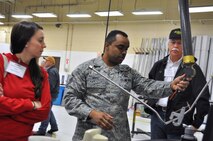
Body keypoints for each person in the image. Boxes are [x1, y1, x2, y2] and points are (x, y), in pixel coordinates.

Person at [63, 30, 190, 141]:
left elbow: (147, 86)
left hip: (119, 136)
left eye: (126, 49)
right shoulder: (86, 70)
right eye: (120, 47)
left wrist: (170, 86)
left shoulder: (127, 72)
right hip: (91, 134)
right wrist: (91, 113)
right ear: (107, 46)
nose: (124, 52)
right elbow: (69, 99)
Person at [145, 28, 210, 139]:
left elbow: (202, 95)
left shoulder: (192, 69)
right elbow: (148, 86)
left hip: (179, 119)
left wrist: (196, 122)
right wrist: (149, 103)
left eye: (179, 43)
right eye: (173, 42)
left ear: (184, 47)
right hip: (157, 116)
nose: (175, 46)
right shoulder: (159, 65)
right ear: (168, 44)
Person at [0, 21, 51, 141]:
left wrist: (6, 109)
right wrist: (31, 104)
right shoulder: (2, 62)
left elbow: (44, 111)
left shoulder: (41, 74)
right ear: (26, 41)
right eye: (40, 40)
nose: (44, 45)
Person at [34, 56, 59, 135]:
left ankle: (42, 130)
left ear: (51, 62)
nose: (45, 62)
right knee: (49, 111)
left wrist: (43, 93)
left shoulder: (52, 71)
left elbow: (50, 85)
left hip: (50, 95)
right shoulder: (51, 70)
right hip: (51, 94)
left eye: (46, 61)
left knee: (46, 112)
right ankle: (54, 127)